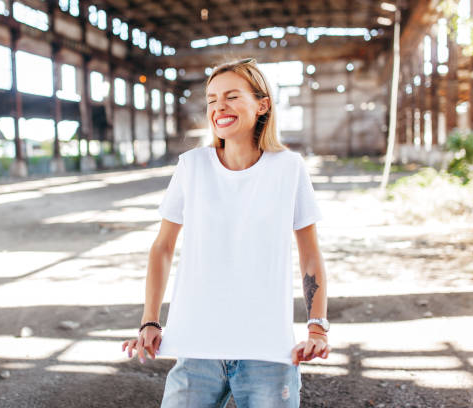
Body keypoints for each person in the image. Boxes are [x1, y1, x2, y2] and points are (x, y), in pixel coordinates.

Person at [122, 58, 330, 408]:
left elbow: (310, 253)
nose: (219, 106)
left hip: (268, 353)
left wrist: (317, 328)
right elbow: (162, 248)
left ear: (262, 105)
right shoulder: (192, 166)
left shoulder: (288, 168)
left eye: (232, 96)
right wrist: (150, 322)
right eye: (212, 99)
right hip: (197, 350)